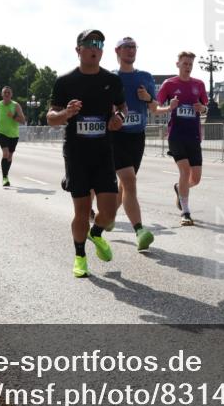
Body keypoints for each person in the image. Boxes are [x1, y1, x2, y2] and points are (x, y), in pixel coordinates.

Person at [47, 29, 126, 278]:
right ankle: (80, 256)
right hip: (77, 154)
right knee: (81, 212)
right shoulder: (65, 82)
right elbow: (50, 117)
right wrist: (66, 114)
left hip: (103, 152)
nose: (96, 47)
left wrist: (119, 118)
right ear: (78, 49)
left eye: (100, 43)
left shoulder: (111, 81)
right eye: (90, 43)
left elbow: (123, 107)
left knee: (110, 212)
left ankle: (97, 233)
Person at [109, 36, 158, 250]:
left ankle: (108, 218)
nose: (131, 50)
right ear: (117, 51)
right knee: (129, 181)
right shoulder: (110, 78)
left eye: (133, 47)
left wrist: (147, 98)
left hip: (137, 137)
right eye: (126, 47)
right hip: (116, 136)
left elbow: (155, 107)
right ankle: (140, 231)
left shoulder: (145, 77)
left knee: (125, 185)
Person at [156, 51, 208, 226]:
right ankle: (186, 212)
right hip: (176, 135)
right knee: (184, 172)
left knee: (196, 179)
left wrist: (202, 108)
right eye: (185, 64)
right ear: (177, 64)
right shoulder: (169, 84)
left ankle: (180, 189)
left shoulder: (199, 84)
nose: (188, 67)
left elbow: (205, 108)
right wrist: (169, 107)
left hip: (194, 136)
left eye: (190, 64)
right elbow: (156, 107)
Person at [0, 86, 26, 186]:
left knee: (9, 156)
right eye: (5, 93)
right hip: (1, 132)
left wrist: (13, 116)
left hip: (14, 134)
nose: (7, 94)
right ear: (2, 94)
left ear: (11, 94)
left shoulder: (16, 105)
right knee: (5, 153)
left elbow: (23, 121)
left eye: (8, 92)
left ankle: (6, 174)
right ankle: (5, 177)